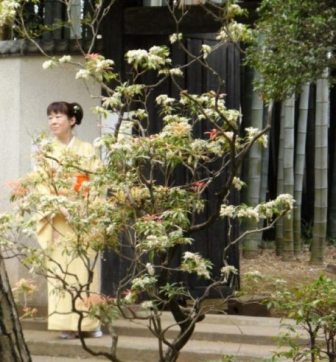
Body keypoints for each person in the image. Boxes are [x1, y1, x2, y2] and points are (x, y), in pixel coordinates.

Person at [35, 101, 102, 339]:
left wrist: (80, 205)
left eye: (58, 117)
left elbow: (95, 182)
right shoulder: (45, 151)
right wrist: (57, 204)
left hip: (82, 218)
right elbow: (40, 184)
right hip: (58, 220)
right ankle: (65, 323)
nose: (53, 121)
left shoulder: (86, 150)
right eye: (50, 117)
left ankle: (88, 323)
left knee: (84, 271)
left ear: (72, 120)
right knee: (61, 272)